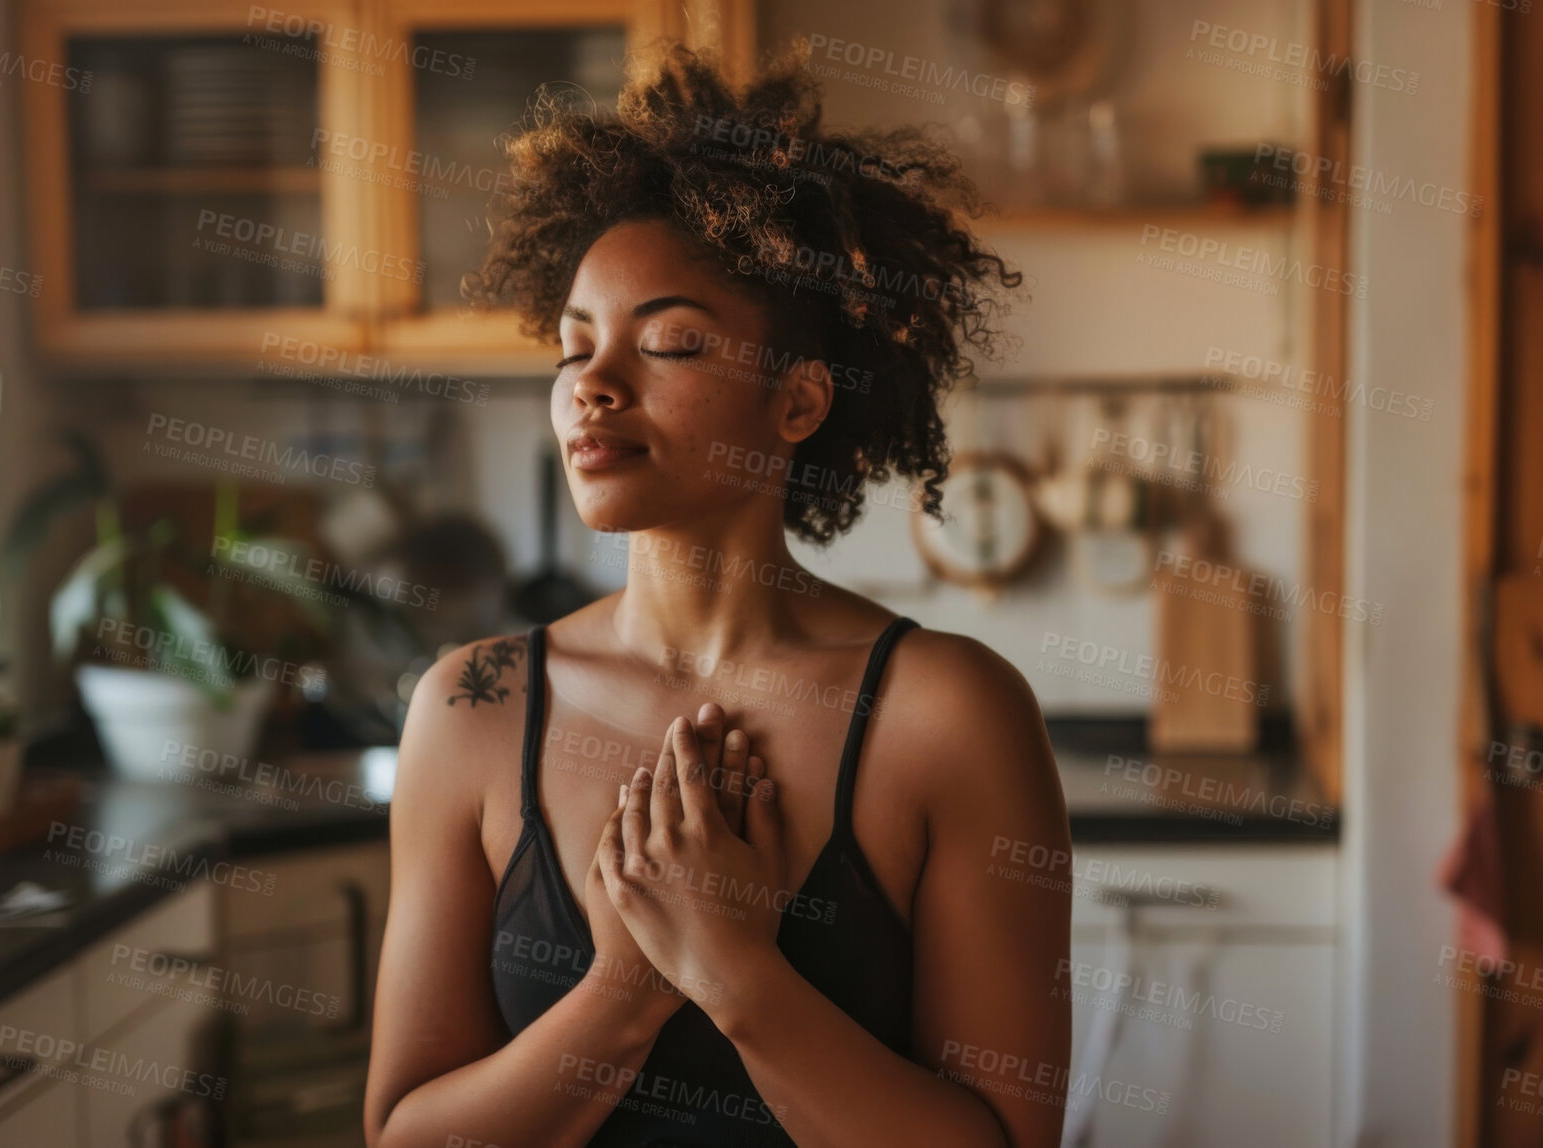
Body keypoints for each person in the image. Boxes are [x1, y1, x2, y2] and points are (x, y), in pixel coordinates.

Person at [364, 41, 1072, 1148]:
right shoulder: (468, 708)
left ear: (796, 402)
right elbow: (406, 1135)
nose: (592, 384)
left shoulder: (950, 714)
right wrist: (626, 990)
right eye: (573, 347)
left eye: (670, 343)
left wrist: (737, 972)